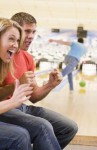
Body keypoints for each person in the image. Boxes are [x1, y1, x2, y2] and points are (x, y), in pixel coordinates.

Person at [0, 12, 78, 150]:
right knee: (41, 127)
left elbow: (34, 96)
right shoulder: (5, 58)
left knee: (69, 127)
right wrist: (15, 86)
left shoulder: (27, 57)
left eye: (34, 32)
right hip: (6, 109)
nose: (31, 36)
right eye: (27, 31)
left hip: (20, 107)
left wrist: (50, 85)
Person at [0, 17, 33, 150]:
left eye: (17, 40)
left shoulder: (3, 65)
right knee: (20, 136)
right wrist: (12, 102)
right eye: (11, 39)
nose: (16, 44)